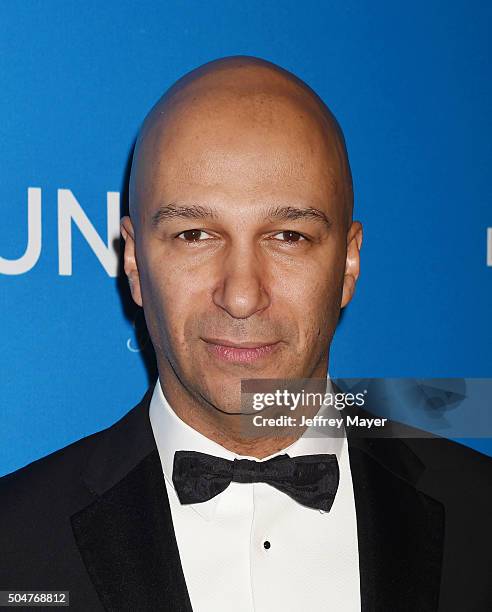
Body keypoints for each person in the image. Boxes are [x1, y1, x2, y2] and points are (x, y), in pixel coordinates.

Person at [0, 56, 490, 612]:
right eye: (194, 234)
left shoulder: (480, 513)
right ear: (134, 261)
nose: (240, 294)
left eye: (287, 236)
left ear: (348, 263)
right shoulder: (13, 544)